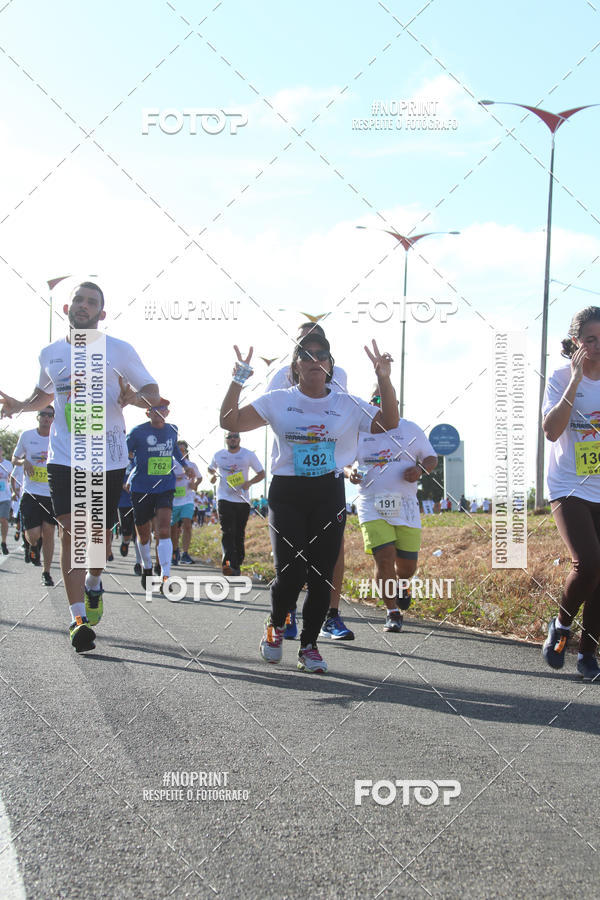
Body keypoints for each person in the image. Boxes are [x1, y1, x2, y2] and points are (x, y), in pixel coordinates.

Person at [220, 335, 398, 673]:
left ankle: (309, 645)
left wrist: (384, 378)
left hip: (328, 492)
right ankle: (275, 623)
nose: (315, 359)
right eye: (307, 354)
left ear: (330, 365)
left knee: (321, 575)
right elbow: (230, 421)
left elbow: (389, 422)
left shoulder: (347, 403)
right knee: (290, 573)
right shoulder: (277, 400)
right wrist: (238, 378)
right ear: (296, 365)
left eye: (322, 355)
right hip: (287, 492)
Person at [0, 281, 161, 652]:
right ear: (67, 308)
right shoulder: (50, 353)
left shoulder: (118, 350)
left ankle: (92, 584)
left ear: (102, 314)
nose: (84, 306)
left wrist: (134, 396)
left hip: (108, 458)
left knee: (97, 545)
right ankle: (76, 620)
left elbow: (152, 390)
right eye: (79, 299)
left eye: (92, 302)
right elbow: (44, 393)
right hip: (65, 457)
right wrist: (19, 405)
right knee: (72, 533)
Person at [269, 322, 354, 641]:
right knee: (292, 558)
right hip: (291, 473)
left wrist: (346, 461)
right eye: (304, 343)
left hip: (328, 473)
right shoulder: (280, 375)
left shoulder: (339, 373)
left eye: (319, 347)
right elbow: (270, 415)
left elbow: (344, 415)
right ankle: (285, 612)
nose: (312, 352)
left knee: (332, 551)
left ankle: (331, 615)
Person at [541, 306, 600, 681]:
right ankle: (562, 627)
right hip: (569, 485)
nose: (597, 347)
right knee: (589, 562)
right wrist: (575, 382)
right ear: (576, 342)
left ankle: (588, 653)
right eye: (591, 340)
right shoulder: (561, 377)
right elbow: (551, 430)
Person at [347, 389, 437, 632]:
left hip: (405, 504)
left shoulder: (411, 429)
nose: (380, 403)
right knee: (383, 557)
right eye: (374, 400)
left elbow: (431, 458)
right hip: (371, 502)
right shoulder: (359, 431)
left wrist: (420, 470)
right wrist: (350, 472)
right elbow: (345, 462)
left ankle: (403, 584)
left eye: (384, 399)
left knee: (407, 567)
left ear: (395, 404)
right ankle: (392, 611)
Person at [127, 402, 192, 590]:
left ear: (168, 412)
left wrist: (185, 465)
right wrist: (135, 463)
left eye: (162, 410)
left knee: (164, 530)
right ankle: (147, 567)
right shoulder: (137, 432)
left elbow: (174, 452)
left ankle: (165, 576)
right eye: (154, 410)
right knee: (144, 534)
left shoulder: (172, 430)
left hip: (165, 486)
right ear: (148, 413)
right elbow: (125, 452)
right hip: (141, 487)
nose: (159, 413)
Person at [12, 405, 57, 584]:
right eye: (43, 415)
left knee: (49, 532)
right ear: (37, 417)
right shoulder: (27, 435)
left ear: (54, 418)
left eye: (50, 415)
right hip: (31, 492)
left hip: (52, 494)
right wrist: (24, 461)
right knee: (34, 535)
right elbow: (14, 458)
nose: (47, 418)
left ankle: (46, 572)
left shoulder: (58, 437)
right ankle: (31, 546)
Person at [208, 433, 264, 576]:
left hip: (242, 499)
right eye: (229, 436)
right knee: (228, 531)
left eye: (235, 436)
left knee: (239, 533)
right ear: (225, 439)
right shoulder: (218, 455)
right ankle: (228, 565)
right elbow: (210, 469)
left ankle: (237, 564)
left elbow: (261, 473)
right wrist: (212, 476)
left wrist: (250, 482)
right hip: (224, 498)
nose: (232, 439)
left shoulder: (248, 454)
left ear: (239, 438)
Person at [171, 440, 201, 564]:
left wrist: (195, 484)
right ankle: (174, 551)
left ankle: (185, 553)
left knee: (187, 524)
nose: (181, 453)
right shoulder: (170, 463)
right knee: (173, 529)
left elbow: (200, 477)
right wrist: (175, 477)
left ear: (186, 451)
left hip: (187, 499)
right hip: (173, 500)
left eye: (183, 450)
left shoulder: (191, 465)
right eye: (179, 451)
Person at [0, 446, 12, 554]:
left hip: (5, 496)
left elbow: (12, 478)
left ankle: (3, 542)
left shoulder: (8, 464)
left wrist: (15, 492)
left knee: (3, 519)